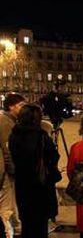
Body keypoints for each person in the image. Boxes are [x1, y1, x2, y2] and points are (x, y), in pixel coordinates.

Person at [8, 104, 61, 238]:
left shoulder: (14, 134)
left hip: (22, 183)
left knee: (27, 222)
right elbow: (53, 156)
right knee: (40, 225)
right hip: (40, 184)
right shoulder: (41, 136)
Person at [0, 93, 25, 237]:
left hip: (5, 170)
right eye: (20, 105)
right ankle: (7, 232)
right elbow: (7, 149)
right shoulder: (5, 122)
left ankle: (16, 227)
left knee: (10, 202)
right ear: (11, 106)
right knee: (6, 205)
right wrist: (12, 170)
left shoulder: (9, 120)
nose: (23, 109)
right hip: (4, 172)